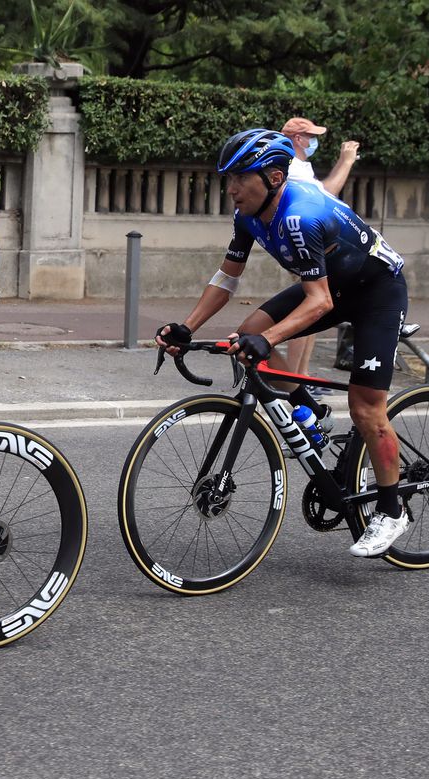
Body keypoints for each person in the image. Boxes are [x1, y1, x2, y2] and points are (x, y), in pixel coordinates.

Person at [156, 128, 410, 558]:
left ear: (273, 178)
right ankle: (312, 412)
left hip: (376, 293)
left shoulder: (300, 216)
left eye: (240, 177)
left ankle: (391, 510)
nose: (231, 188)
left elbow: (319, 302)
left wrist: (267, 339)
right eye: (228, 179)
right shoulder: (248, 216)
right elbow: (227, 279)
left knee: (367, 407)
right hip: (333, 286)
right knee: (248, 331)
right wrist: (187, 327)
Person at [279, 116, 361, 393]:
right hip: (306, 240)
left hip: (316, 240)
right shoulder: (291, 165)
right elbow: (326, 193)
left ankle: (302, 375)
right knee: (307, 305)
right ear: (298, 139)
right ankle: (293, 380)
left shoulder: (302, 165)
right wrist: (346, 161)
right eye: (311, 136)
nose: (314, 141)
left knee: (317, 306)